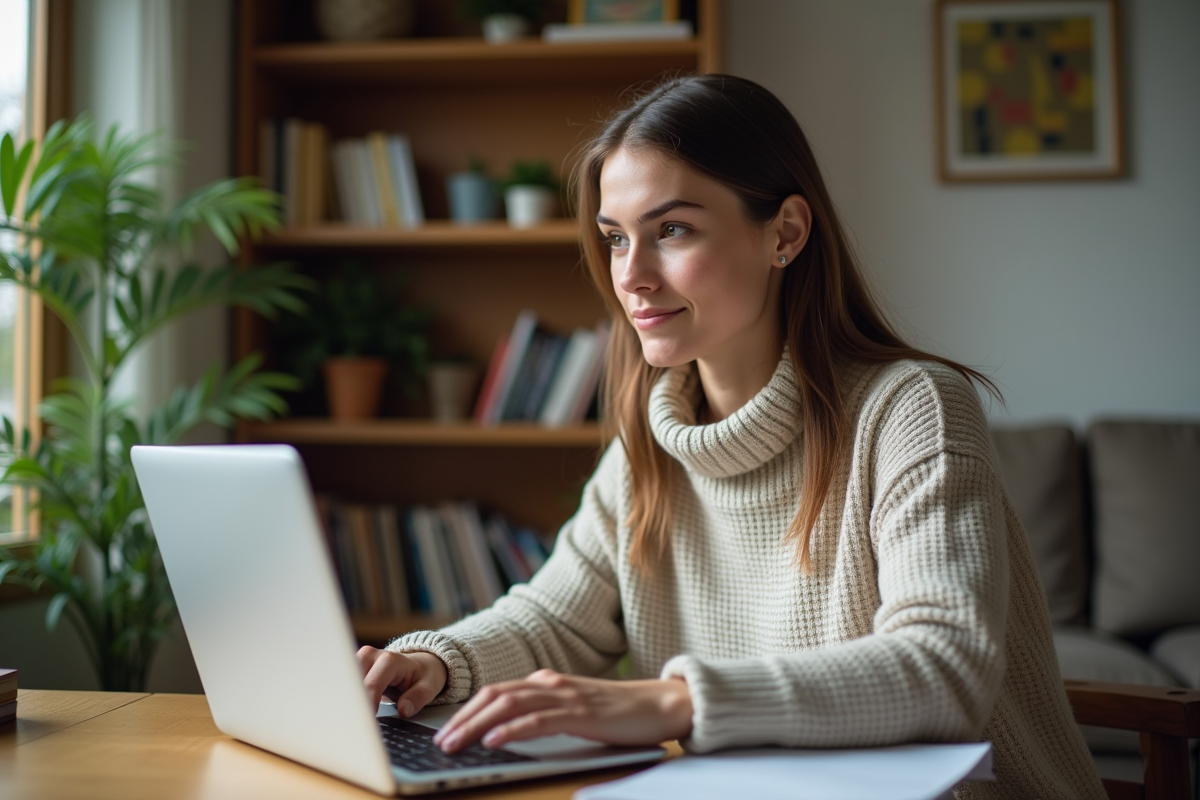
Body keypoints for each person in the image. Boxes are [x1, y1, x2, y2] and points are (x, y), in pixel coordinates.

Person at [357, 74, 1105, 798]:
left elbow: (946, 671)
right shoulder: (653, 443)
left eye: (672, 229)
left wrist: (676, 700)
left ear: (785, 233)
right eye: (616, 238)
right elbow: (553, 620)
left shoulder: (911, 409)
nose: (633, 276)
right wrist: (435, 660)